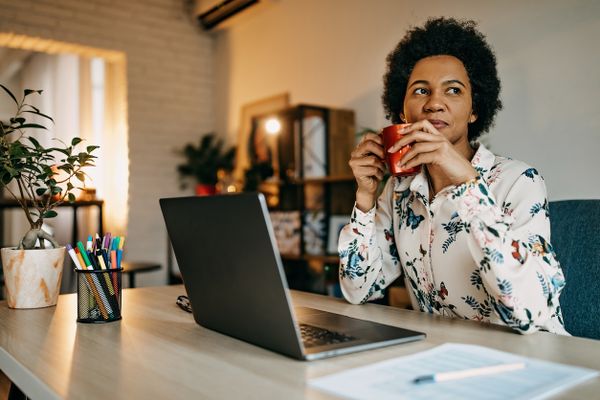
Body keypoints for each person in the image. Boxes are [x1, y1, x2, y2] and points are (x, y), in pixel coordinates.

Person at [339, 17, 567, 335]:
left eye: (454, 90)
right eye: (420, 91)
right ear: (402, 111)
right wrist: (365, 198)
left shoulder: (519, 181)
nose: (434, 103)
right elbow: (357, 289)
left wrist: (468, 184)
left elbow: (526, 313)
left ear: (474, 109)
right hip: (445, 357)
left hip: (531, 358)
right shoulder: (399, 190)